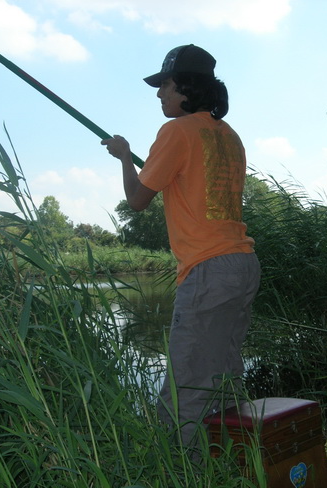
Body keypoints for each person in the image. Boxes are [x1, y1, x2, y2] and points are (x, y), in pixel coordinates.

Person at [102, 44, 261, 450]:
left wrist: (123, 156)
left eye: (166, 85)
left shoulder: (176, 131)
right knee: (225, 377)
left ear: (187, 88)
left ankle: (184, 469)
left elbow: (137, 200)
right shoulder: (230, 137)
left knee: (185, 388)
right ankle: (234, 461)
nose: (160, 94)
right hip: (242, 265)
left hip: (207, 270)